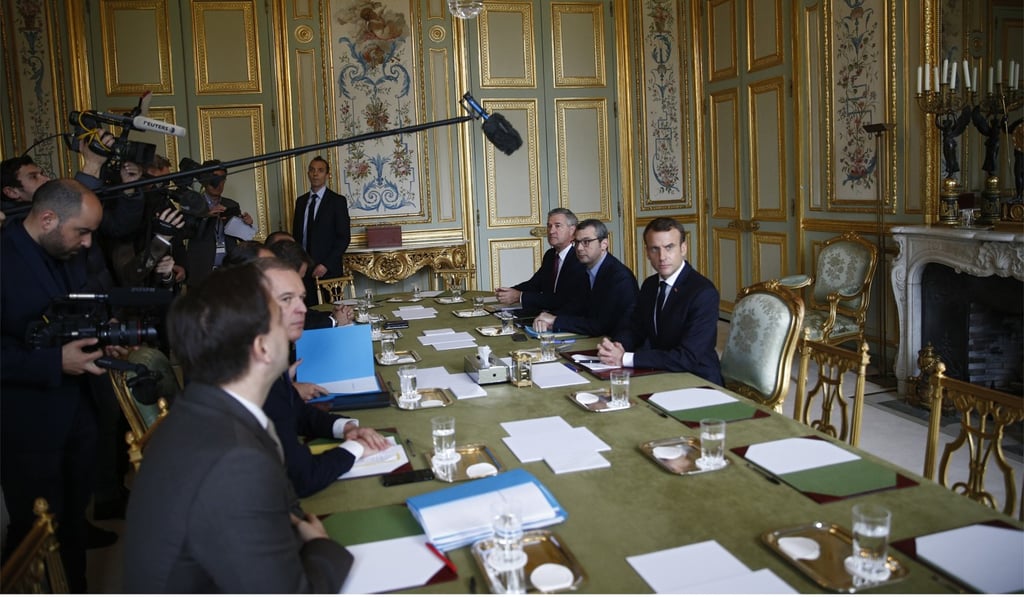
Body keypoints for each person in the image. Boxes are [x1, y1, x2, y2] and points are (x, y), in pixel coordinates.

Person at [122, 264, 354, 593]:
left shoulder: (202, 409)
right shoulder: (236, 461)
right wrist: (323, 547)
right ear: (261, 348)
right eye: (280, 319)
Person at [1, 179, 111, 591]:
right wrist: (54, 362)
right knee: (34, 531)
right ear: (47, 218)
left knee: (73, 522)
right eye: (81, 231)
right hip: (27, 426)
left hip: (79, 413)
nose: (86, 244)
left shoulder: (64, 251)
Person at [256, 259, 389, 496]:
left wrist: (345, 427)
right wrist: (356, 448)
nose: (303, 309)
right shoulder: (251, 371)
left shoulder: (267, 356)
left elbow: (297, 412)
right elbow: (303, 478)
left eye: (301, 298)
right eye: (287, 299)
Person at [597, 217, 723, 384]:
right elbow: (635, 329)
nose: (662, 256)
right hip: (659, 371)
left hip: (697, 378)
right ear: (647, 252)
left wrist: (626, 358)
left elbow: (687, 357)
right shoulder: (650, 285)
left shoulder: (703, 292)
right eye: (655, 249)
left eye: (669, 247)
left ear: (683, 248)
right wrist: (617, 347)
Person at [532, 219, 638, 337]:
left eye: (586, 242)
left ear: (604, 244)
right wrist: (548, 317)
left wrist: (555, 321)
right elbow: (575, 307)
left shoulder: (619, 278)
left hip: (614, 344)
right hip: (593, 337)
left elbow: (600, 325)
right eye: (577, 242)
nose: (579, 248)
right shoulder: (583, 270)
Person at [175, 159, 254, 287]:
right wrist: (205, 216)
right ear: (204, 180)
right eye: (215, 178)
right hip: (200, 267)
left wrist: (247, 225)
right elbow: (184, 233)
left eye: (223, 179)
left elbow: (241, 238)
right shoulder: (193, 203)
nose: (219, 184)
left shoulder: (231, 204)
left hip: (228, 268)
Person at [495, 207, 587, 316]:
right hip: (544, 314)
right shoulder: (550, 255)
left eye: (557, 226)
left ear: (572, 231)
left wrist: (519, 296)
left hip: (566, 318)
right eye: (549, 226)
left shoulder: (580, 258)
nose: (551, 231)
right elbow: (534, 284)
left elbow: (562, 299)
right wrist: (509, 291)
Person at [291, 156, 351, 306]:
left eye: (320, 170)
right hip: (303, 269)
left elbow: (343, 238)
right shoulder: (301, 201)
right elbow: (297, 236)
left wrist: (326, 265)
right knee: (307, 311)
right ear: (308, 173)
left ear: (327, 175)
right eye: (312, 170)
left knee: (332, 312)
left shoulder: (337, 201)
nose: (315, 174)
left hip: (328, 271)